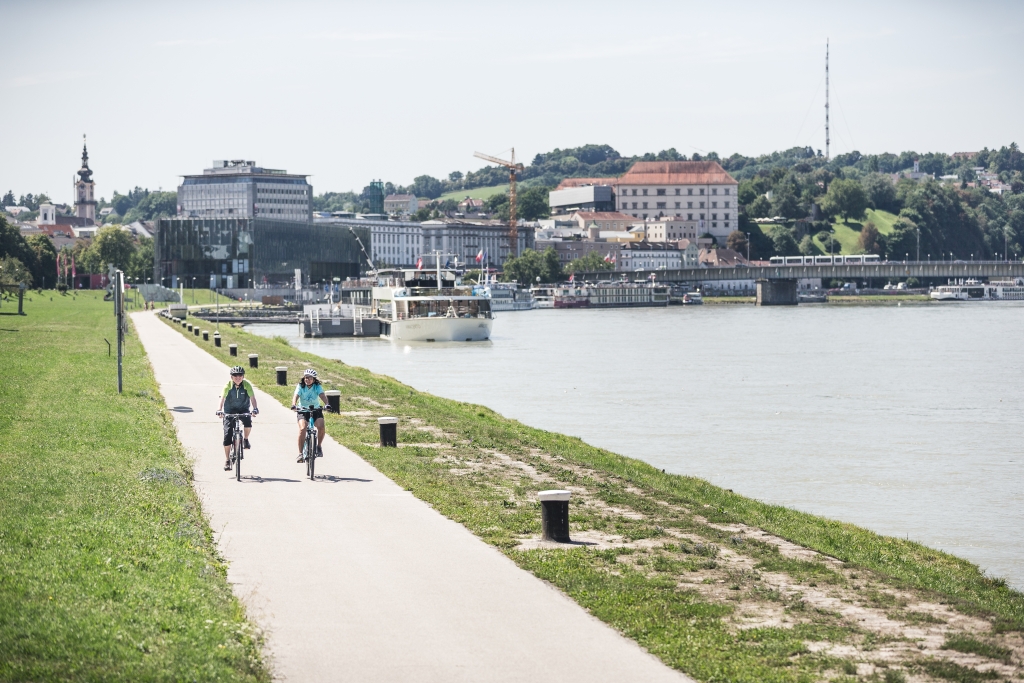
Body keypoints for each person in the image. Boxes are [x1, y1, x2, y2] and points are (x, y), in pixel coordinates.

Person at [216, 366, 259, 471]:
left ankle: (245, 439)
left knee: (248, 422)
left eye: (240, 375)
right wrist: (219, 409)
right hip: (229, 411)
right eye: (235, 375)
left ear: (243, 376)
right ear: (231, 377)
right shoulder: (228, 386)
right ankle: (227, 460)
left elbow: (252, 398)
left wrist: (255, 408)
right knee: (227, 436)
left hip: (243, 409)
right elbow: (222, 397)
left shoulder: (247, 385)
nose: (238, 377)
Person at [292, 368, 328, 462]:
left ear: (314, 379)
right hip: (303, 410)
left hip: (315, 409)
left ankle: (318, 446)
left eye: (310, 378)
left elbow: (322, 395)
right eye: (306, 377)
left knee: (321, 426)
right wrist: (294, 405)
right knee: (302, 429)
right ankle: (300, 454)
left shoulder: (317, 386)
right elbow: (296, 395)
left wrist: (327, 404)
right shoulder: (300, 386)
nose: (307, 380)